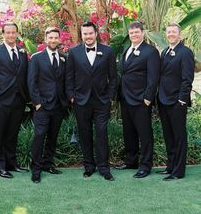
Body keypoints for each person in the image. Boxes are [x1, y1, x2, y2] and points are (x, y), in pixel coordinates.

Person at [66, 21, 117, 181]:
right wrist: (72, 96)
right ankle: (89, 166)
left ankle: (104, 167)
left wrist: (109, 96)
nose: (87, 36)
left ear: (96, 34)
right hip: (81, 100)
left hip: (101, 101)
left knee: (102, 133)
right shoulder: (74, 52)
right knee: (84, 133)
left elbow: (114, 77)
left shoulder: (108, 51)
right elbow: (69, 77)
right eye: (85, 34)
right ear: (82, 35)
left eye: (90, 33)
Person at [116, 21, 160, 178]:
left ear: (142, 33)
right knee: (129, 132)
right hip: (125, 99)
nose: (134, 35)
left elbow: (153, 77)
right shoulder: (127, 50)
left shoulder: (150, 51)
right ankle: (131, 161)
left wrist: (148, 97)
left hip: (141, 100)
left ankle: (146, 165)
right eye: (131, 32)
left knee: (144, 133)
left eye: (136, 32)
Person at [0, 22, 29, 178]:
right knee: (0, 134)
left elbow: (23, 76)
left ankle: (11, 163)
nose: (11, 35)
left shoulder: (23, 53)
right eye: (8, 32)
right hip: (2, 100)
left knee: (13, 133)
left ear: (17, 33)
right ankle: (0, 166)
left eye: (13, 32)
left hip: (19, 100)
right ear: (3, 34)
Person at [28, 27, 68, 183]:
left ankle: (47, 164)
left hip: (59, 105)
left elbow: (65, 81)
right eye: (50, 38)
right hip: (43, 106)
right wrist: (37, 103)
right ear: (45, 39)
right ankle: (36, 169)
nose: (53, 40)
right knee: (39, 136)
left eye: (56, 38)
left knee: (53, 137)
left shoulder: (64, 57)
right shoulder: (37, 58)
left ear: (59, 39)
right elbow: (31, 82)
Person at [157, 23, 195, 181]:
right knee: (168, 135)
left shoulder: (185, 52)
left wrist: (182, 99)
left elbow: (187, 78)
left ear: (179, 34)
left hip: (177, 101)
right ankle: (171, 166)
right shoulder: (165, 51)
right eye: (169, 32)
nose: (171, 34)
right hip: (163, 100)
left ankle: (178, 171)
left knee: (179, 136)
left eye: (174, 32)